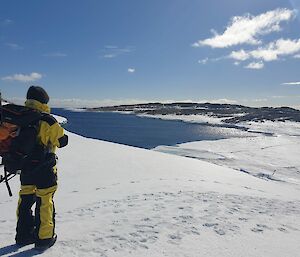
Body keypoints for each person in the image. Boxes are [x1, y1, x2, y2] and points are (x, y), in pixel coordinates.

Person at [15, 86, 68, 250]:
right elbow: (62, 141)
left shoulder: (20, 117)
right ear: (44, 101)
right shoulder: (47, 120)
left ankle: (23, 234)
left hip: (25, 168)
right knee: (45, 199)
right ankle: (44, 237)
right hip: (44, 168)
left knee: (25, 198)